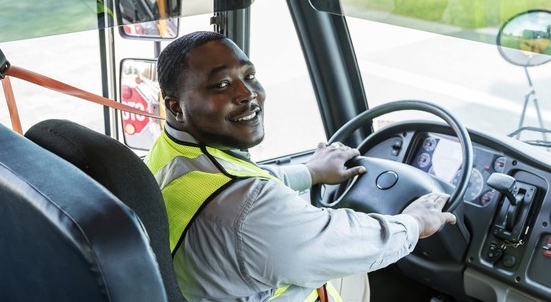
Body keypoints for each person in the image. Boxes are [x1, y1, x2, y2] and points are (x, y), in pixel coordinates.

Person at [144, 31, 456, 301]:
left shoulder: (170, 153)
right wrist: (414, 223)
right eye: (222, 84)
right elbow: (337, 240)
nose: (248, 94)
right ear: (175, 106)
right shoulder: (248, 209)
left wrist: (310, 172)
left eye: (249, 76)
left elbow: (233, 185)